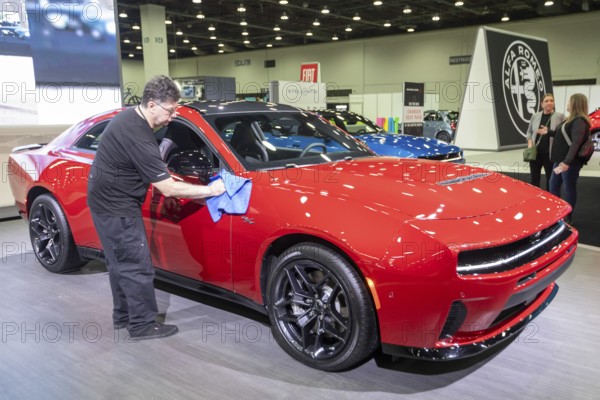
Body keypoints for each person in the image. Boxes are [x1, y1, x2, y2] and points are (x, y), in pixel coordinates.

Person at [87, 75, 226, 341]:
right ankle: (141, 326)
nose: (173, 116)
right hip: (118, 207)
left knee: (119, 264)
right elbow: (169, 188)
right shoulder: (139, 135)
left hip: (103, 202)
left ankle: (123, 317)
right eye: (170, 110)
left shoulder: (129, 118)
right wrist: (211, 191)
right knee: (136, 266)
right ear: (152, 105)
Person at [547, 93, 591, 224]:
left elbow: (575, 143)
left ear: (575, 104)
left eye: (569, 102)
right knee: (553, 185)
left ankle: (567, 216)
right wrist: (548, 132)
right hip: (560, 161)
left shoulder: (579, 121)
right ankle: (556, 212)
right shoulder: (570, 119)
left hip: (569, 162)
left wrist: (567, 162)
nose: (567, 104)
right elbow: (560, 135)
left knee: (568, 188)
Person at [525, 93, 565, 189]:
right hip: (535, 153)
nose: (549, 103)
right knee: (534, 180)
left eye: (551, 100)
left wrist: (549, 132)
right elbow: (529, 132)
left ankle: (549, 200)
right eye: (546, 101)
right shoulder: (535, 116)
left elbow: (563, 134)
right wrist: (530, 143)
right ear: (541, 104)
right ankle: (535, 201)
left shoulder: (560, 116)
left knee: (551, 180)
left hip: (551, 154)